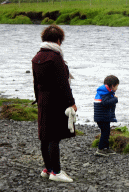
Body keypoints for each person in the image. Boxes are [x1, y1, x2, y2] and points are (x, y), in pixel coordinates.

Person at [32, 25, 77, 182]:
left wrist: (38, 100)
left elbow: (35, 83)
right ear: (59, 40)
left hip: (43, 100)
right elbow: (63, 84)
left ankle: (47, 168)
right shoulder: (55, 57)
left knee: (44, 135)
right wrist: (71, 103)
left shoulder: (37, 56)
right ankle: (56, 172)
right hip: (56, 101)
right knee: (54, 137)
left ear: (44, 39)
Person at [94, 75, 119, 156]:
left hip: (102, 117)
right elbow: (105, 102)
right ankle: (100, 149)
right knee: (105, 133)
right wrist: (115, 99)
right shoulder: (105, 93)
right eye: (117, 86)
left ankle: (106, 148)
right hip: (102, 117)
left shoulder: (104, 92)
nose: (117, 88)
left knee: (106, 132)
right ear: (112, 86)